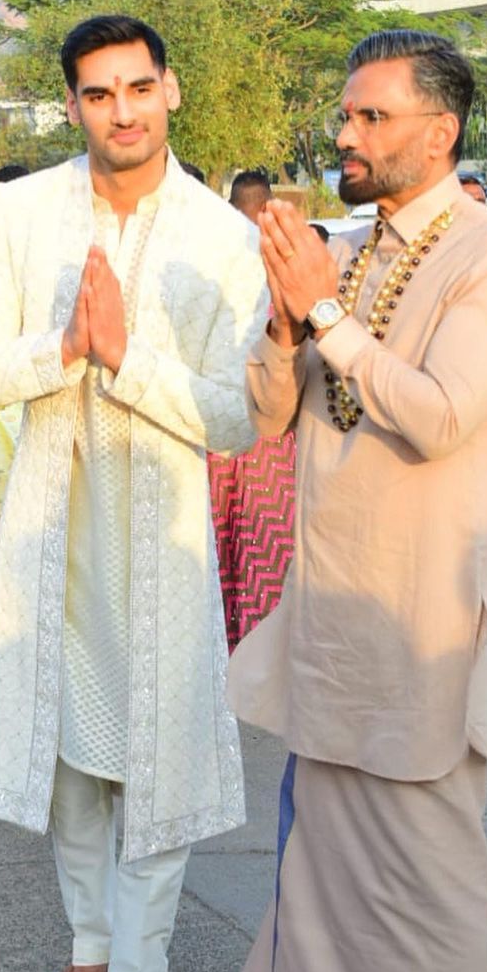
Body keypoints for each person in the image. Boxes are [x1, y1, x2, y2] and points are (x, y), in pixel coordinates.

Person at [210, 29, 487, 972]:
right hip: (335, 612)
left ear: (439, 132)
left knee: (426, 878)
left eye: (370, 118)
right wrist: (282, 316)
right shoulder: (354, 256)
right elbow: (268, 419)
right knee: (334, 866)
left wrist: (331, 319)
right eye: (345, 116)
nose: (343, 136)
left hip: (418, 621)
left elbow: (443, 413)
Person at [0, 15, 268, 972]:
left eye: (138, 88)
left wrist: (124, 364)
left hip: (162, 543)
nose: (121, 111)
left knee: (156, 762)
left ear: (172, 90)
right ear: (72, 105)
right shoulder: (25, 215)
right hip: (54, 527)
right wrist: (63, 349)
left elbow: (232, 417)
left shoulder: (223, 236)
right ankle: (87, 956)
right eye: (97, 93)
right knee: (74, 765)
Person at [209, 168, 296, 649]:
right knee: (264, 545)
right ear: (267, 208)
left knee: (219, 543)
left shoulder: (210, 256)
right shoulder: (284, 261)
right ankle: (260, 649)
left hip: (217, 425)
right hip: (271, 433)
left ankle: (220, 648)